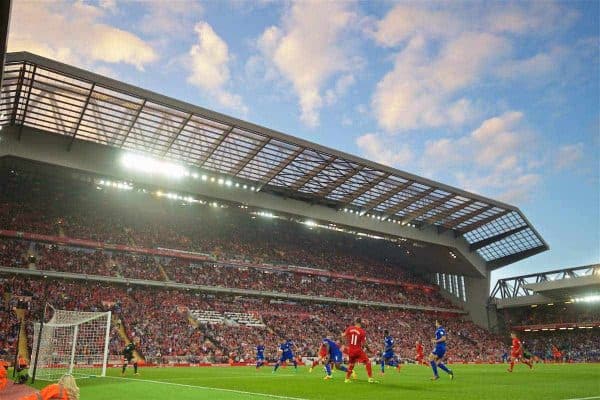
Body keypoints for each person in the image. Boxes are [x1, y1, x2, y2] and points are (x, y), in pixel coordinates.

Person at [342, 318, 376, 384]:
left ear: (355, 322)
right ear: (360, 323)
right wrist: (369, 350)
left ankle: (347, 379)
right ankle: (370, 378)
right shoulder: (362, 331)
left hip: (350, 350)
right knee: (368, 362)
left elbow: (343, 335)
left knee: (351, 364)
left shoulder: (349, 328)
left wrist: (344, 344)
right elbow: (364, 343)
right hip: (358, 350)